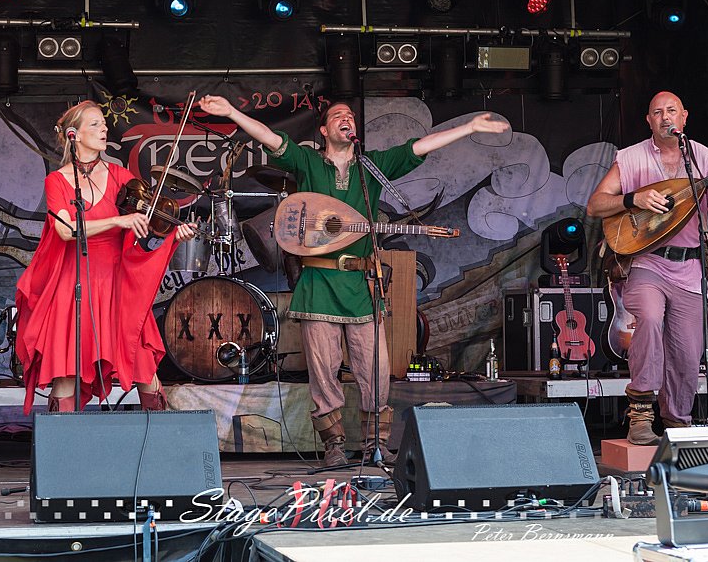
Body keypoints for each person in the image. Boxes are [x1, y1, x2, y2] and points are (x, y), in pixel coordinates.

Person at [199, 95, 509, 467]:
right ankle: (333, 444)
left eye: (350, 115)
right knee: (323, 371)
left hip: (361, 284)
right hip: (319, 283)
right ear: (324, 130)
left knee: (374, 370)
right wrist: (232, 112)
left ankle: (376, 443)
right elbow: (271, 138)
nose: (347, 119)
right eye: (338, 116)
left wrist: (469, 127)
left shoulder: (370, 167)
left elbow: (418, 147)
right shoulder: (309, 162)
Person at [586, 91, 708, 445]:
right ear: (649, 121)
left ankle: (676, 421)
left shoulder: (703, 158)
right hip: (647, 261)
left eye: (672, 111)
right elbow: (595, 205)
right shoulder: (631, 157)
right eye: (658, 112)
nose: (665, 117)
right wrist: (633, 198)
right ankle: (640, 413)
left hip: (690, 267)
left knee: (687, 351)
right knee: (648, 318)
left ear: (684, 117)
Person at [14, 101, 197, 416]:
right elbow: (66, 230)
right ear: (73, 134)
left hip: (116, 283)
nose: (104, 129)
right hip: (73, 284)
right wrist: (117, 220)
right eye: (95, 124)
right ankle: (61, 443)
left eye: (104, 124)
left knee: (142, 363)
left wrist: (170, 235)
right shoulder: (57, 181)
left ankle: (160, 440)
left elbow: (145, 233)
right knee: (67, 370)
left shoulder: (122, 178)